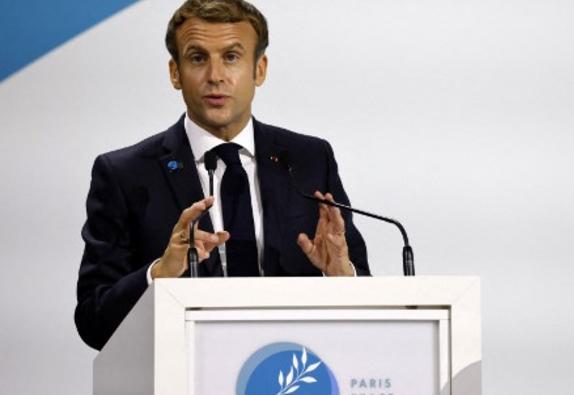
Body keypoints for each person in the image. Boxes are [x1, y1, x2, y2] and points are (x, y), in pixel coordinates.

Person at [75, 0, 369, 351]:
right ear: (175, 72)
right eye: (198, 58)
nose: (215, 76)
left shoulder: (308, 159)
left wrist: (340, 276)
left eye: (231, 57)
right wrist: (161, 274)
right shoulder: (126, 174)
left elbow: (363, 290)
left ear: (259, 69)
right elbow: (94, 321)